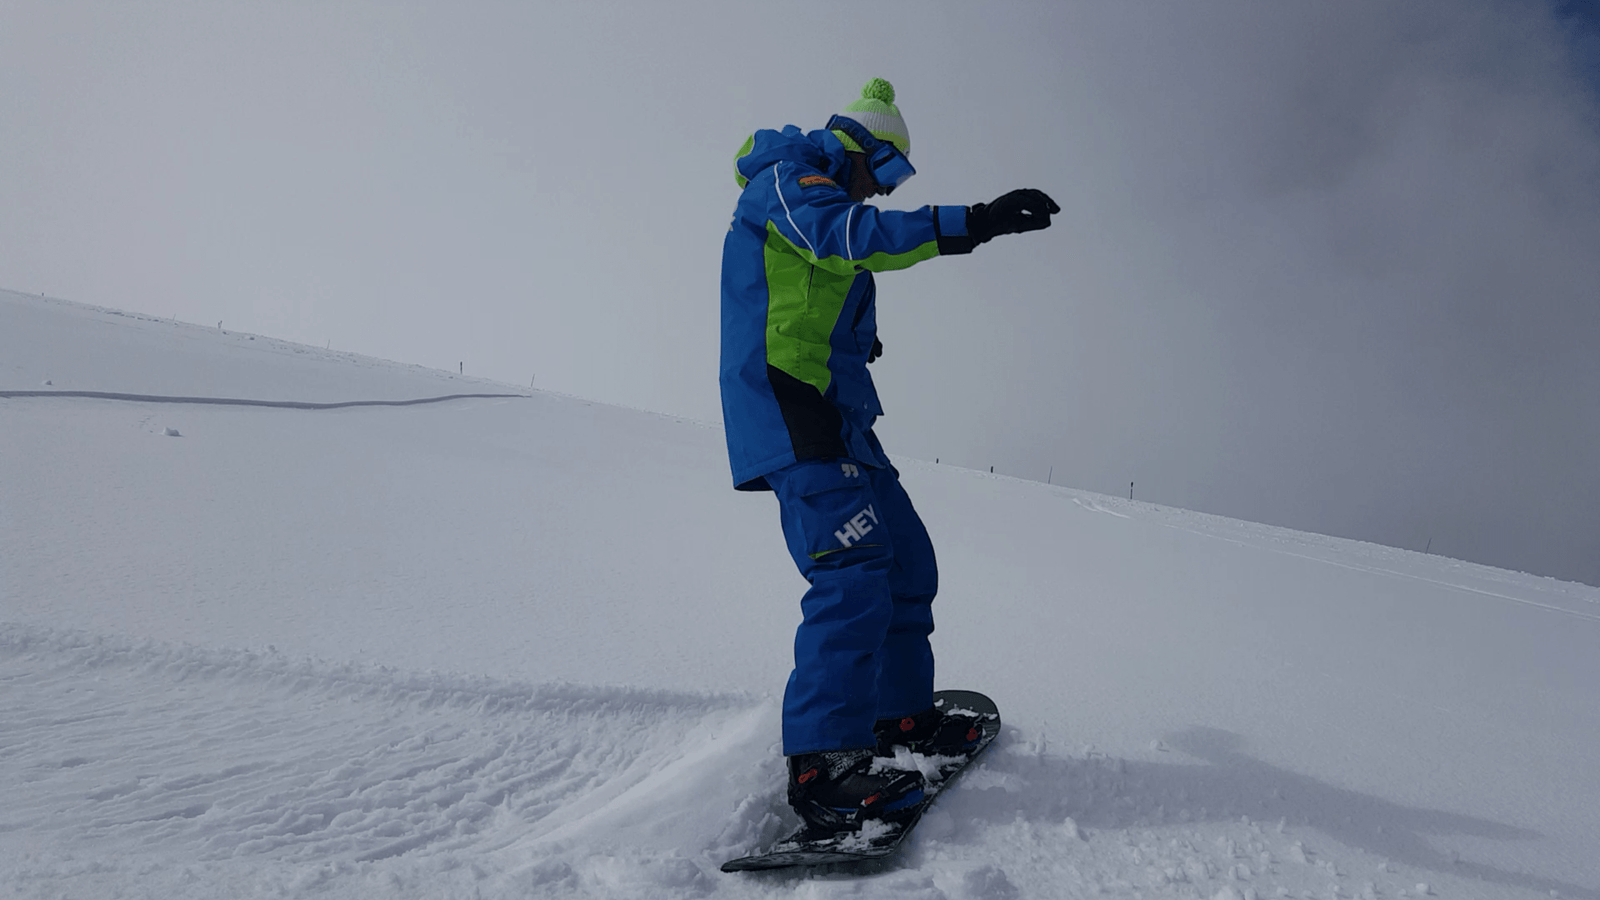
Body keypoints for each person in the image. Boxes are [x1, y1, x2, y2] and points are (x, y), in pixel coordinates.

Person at [718, 78, 1058, 832]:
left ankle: (898, 719)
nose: (884, 190)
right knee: (851, 569)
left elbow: (817, 290)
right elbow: (846, 239)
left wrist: (860, 340)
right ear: (857, 149)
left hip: (842, 419)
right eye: (886, 172)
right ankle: (824, 764)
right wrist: (973, 222)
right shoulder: (789, 181)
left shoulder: (821, 197)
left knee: (905, 560)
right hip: (791, 408)